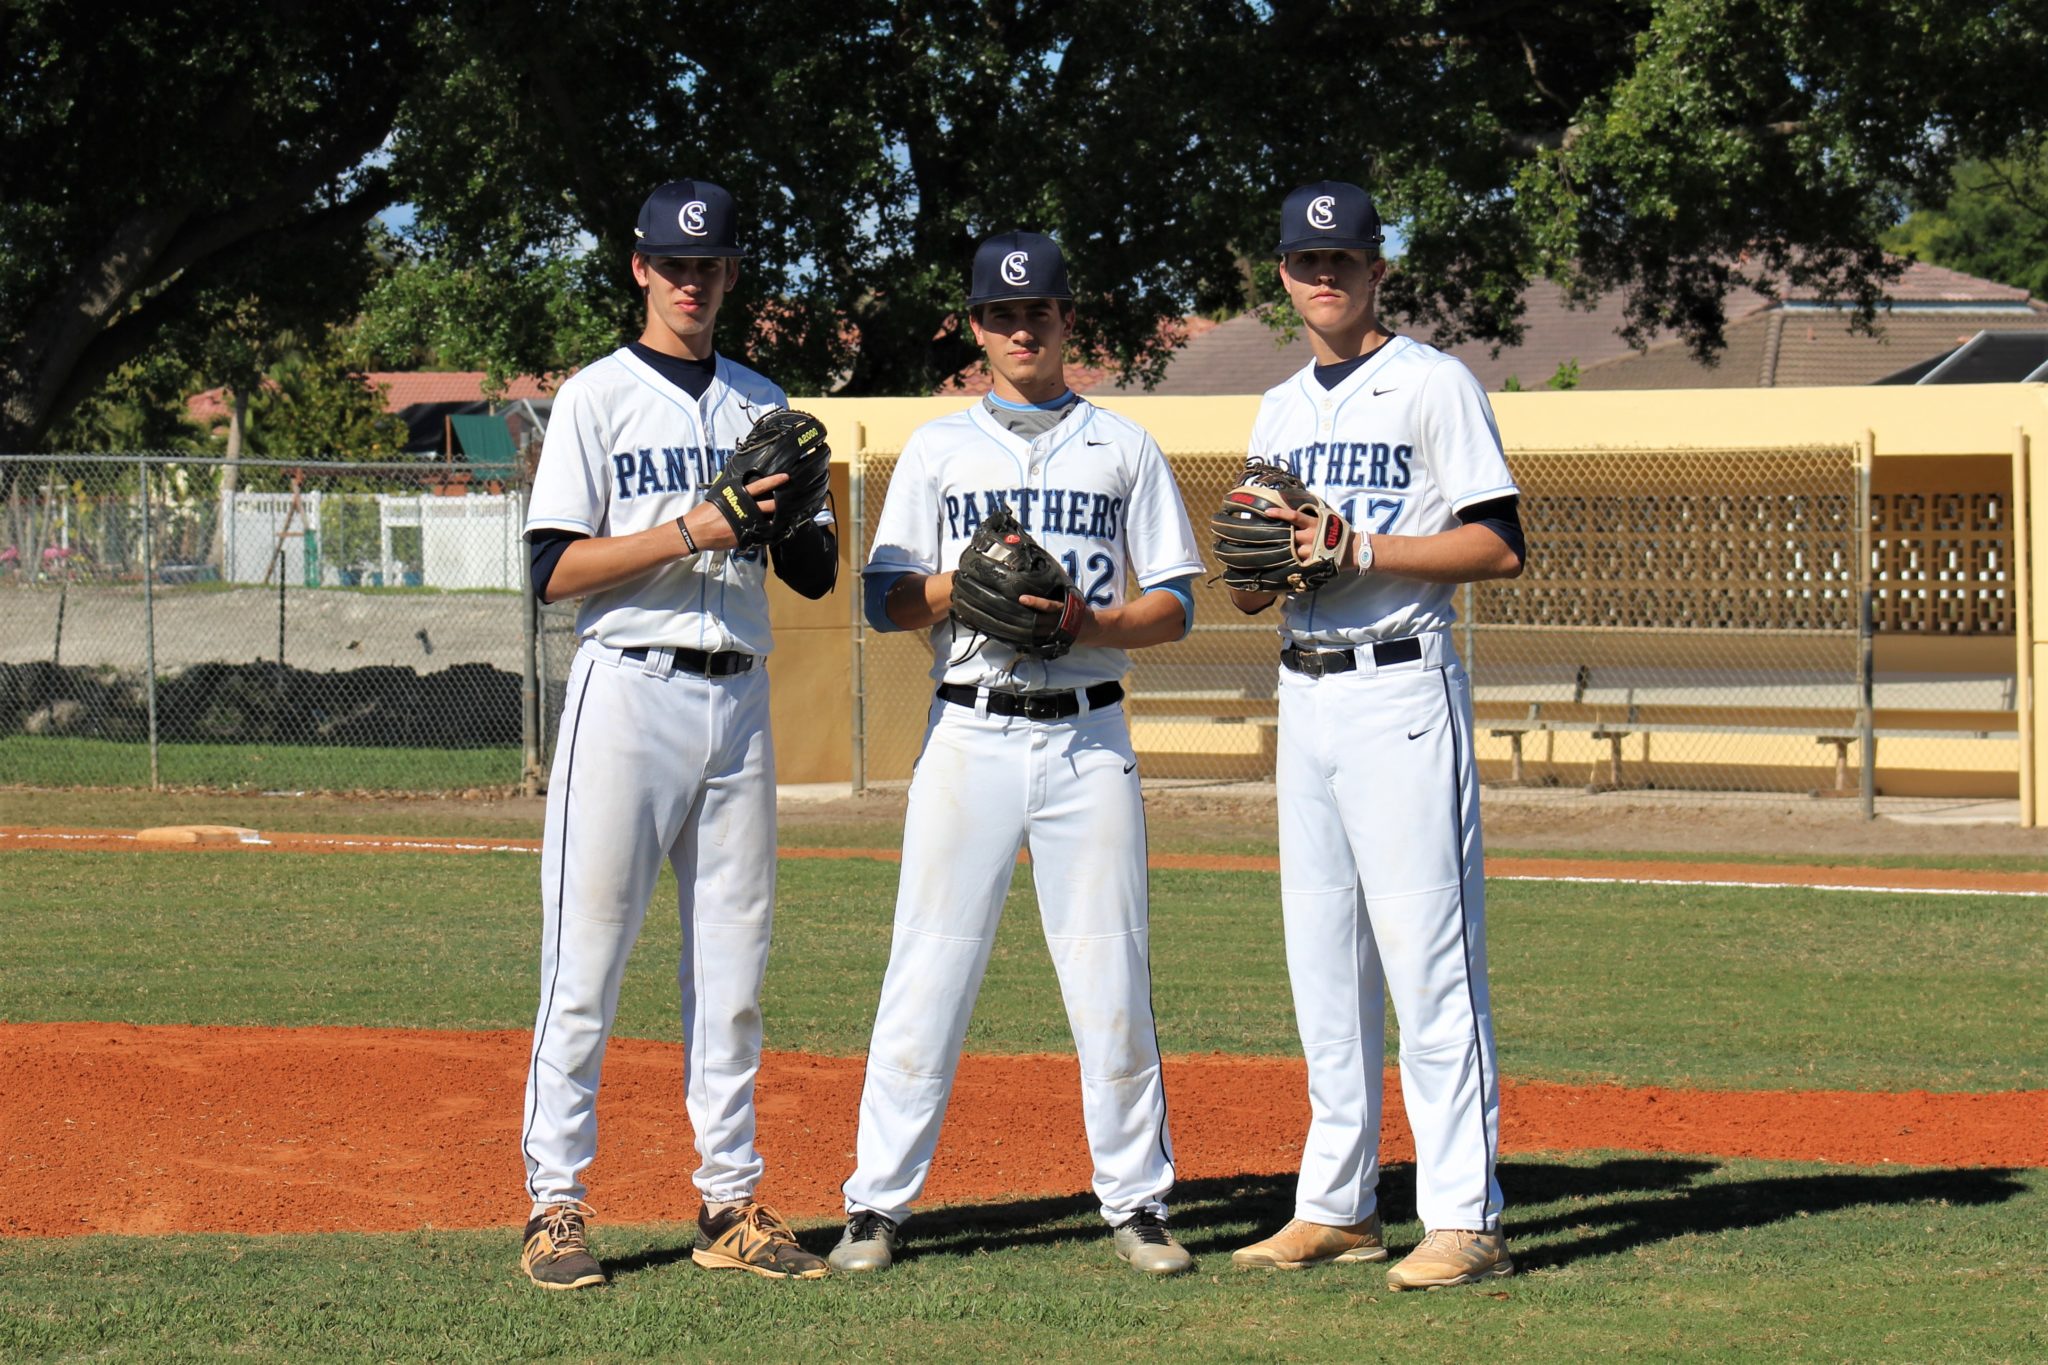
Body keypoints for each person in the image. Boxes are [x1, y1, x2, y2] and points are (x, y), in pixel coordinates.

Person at [828, 231, 1205, 1277]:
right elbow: (885, 597)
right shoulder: (939, 449)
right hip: (969, 731)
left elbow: (1174, 603)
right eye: (1000, 313)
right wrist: (958, 589)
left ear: (1065, 318)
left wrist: (1089, 622)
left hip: (1089, 734)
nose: (1020, 326)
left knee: (1110, 974)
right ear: (974, 328)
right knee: (927, 969)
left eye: (1037, 309)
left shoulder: (1120, 445)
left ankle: (1136, 1203)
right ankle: (875, 1205)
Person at [515, 179, 839, 1289]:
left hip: (738, 699)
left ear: (731, 275)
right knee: (586, 960)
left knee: (734, 968)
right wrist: (698, 522)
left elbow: (813, 572)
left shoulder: (762, 399)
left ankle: (728, 1202)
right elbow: (551, 569)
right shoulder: (595, 398)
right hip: (628, 689)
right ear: (640, 268)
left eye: (710, 266)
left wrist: (788, 503)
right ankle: (554, 1205)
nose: (692, 282)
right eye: (673, 264)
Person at [1225, 181, 1526, 1289]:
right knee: (1322, 966)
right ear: (1283, 276)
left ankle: (1463, 1216)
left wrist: (1359, 548)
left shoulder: (1432, 383)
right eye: (1305, 264)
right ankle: (1338, 1206)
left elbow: (1496, 545)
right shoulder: (1273, 406)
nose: (1324, 278)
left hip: (1401, 691)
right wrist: (1263, 569)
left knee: (1427, 963)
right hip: (1301, 695)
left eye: (1342, 261)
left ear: (1375, 271)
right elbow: (1257, 583)